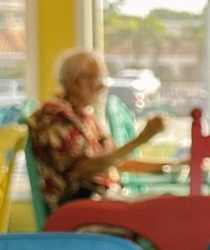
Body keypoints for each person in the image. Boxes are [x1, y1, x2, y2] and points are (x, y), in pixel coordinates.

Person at [26, 49, 167, 211]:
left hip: (103, 200)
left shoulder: (84, 114)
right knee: (162, 213)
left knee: (167, 203)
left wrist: (175, 165)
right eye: (96, 78)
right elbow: (84, 169)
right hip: (78, 210)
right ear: (75, 82)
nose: (103, 85)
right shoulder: (55, 116)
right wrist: (142, 139)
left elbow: (117, 160)